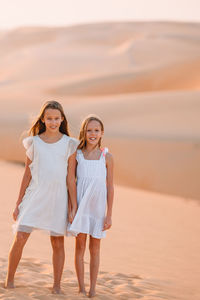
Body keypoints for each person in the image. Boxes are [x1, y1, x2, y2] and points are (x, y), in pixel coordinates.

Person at [5, 100, 78, 294]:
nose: (53, 122)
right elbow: (27, 174)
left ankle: (56, 286)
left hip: (58, 199)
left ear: (62, 119)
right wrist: (18, 202)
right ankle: (9, 281)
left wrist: (73, 206)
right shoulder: (34, 142)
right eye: (49, 118)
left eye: (56, 118)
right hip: (35, 196)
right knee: (20, 235)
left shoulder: (70, 144)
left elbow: (71, 178)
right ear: (43, 120)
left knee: (57, 242)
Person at [67, 115, 114, 298]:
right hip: (80, 206)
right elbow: (70, 180)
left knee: (95, 249)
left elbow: (110, 186)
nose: (92, 134)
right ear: (84, 133)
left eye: (96, 130)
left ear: (102, 133)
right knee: (79, 248)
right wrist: (73, 207)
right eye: (89, 130)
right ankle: (81, 287)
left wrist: (109, 214)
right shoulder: (76, 155)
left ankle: (93, 288)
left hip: (98, 209)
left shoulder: (107, 157)